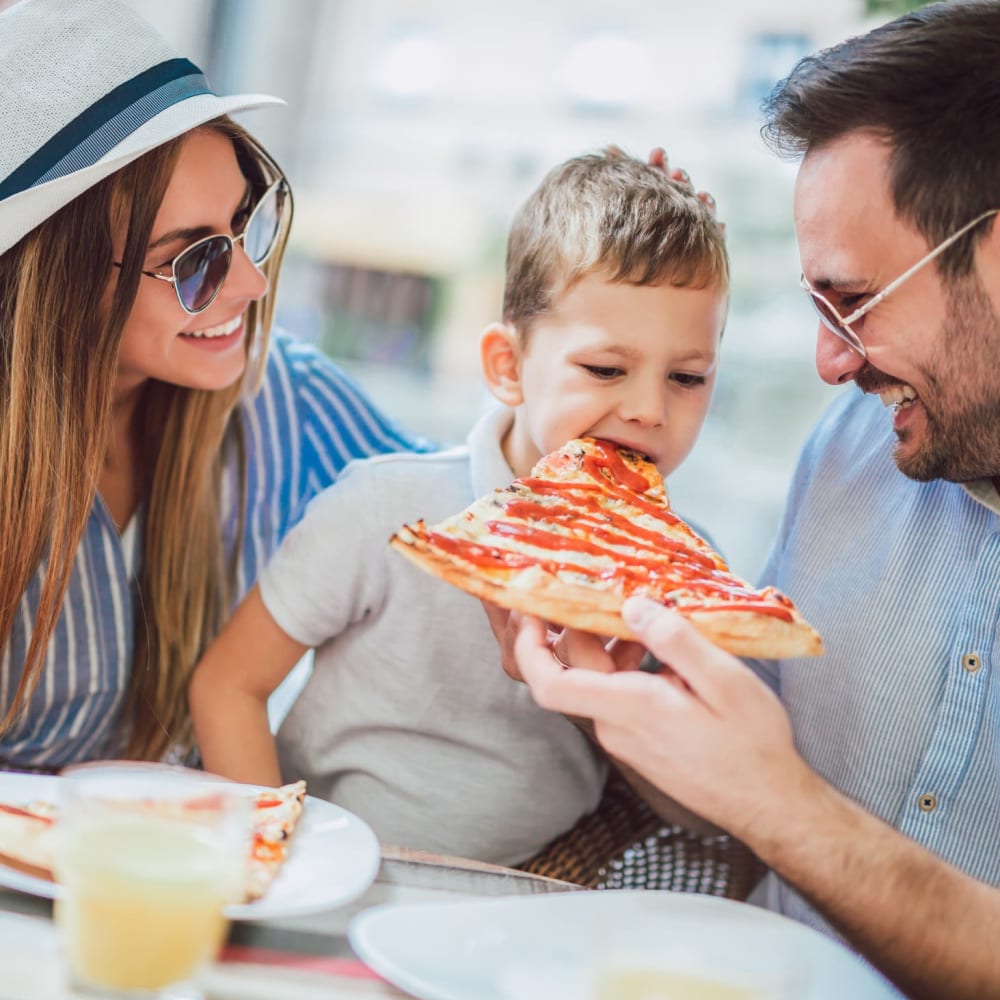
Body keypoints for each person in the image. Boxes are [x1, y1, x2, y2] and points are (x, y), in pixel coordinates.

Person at [493, 2, 1000, 998]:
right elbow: (747, 760)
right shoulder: (855, 446)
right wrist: (633, 698)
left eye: (852, 302)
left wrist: (784, 806)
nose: (828, 361)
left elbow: (772, 793)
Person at [188, 147, 729, 865]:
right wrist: (272, 864)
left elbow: (697, 811)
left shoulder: (687, 574)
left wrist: (603, 699)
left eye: (687, 377)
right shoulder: (389, 507)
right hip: (328, 872)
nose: (648, 409)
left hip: (531, 903)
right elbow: (229, 683)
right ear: (508, 367)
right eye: (606, 369)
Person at [0, 0, 422, 773]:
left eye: (245, 222)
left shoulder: (281, 400)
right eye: (194, 260)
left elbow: (479, 513)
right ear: (57, 283)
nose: (254, 282)